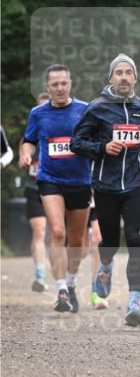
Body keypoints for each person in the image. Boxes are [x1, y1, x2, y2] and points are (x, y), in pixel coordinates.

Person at [70, 54, 140, 327]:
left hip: (136, 184)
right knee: (109, 243)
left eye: (128, 72)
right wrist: (102, 147)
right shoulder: (96, 108)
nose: (123, 77)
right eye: (118, 72)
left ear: (135, 78)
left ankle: (134, 302)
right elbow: (76, 143)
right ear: (111, 78)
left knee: (136, 242)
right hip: (106, 186)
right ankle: (106, 266)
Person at [19, 66, 91, 312]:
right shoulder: (38, 113)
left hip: (81, 180)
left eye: (63, 83)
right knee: (58, 232)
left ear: (70, 84)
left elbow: (97, 139)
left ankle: (70, 283)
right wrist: (26, 154)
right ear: (47, 87)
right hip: (50, 179)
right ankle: (61, 289)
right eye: (55, 84)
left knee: (77, 239)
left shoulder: (85, 110)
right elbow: (28, 140)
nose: (60, 88)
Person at [21, 92, 49, 291]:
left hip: (57, 188)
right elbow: (22, 158)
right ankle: (40, 276)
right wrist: (25, 158)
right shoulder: (29, 137)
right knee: (39, 231)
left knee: (58, 233)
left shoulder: (60, 132)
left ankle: (63, 276)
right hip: (34, 188)